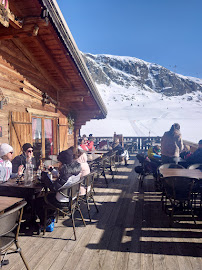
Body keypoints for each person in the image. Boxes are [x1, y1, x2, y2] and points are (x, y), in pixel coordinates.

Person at [36, 148, 81, 228]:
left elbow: (53, 188)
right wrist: (52, 170)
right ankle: (50, 217)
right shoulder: (74, 171)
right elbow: (62, 178)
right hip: (72, 198)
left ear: (63, 163)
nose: (59, 163)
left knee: (38, 201)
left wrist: (45, 176)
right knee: (47, 196)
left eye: (59, 162)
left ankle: (45, 222)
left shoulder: (67, 175)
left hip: (63, 201)